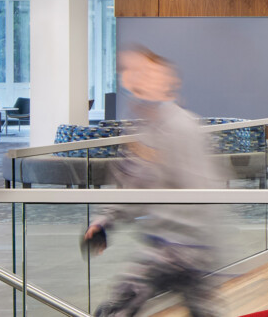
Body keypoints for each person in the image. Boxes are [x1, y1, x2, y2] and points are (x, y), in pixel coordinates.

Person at [87, 46, 228, 316]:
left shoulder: (181, 127)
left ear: (165, 81)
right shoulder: (144, 128)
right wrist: (105, 220)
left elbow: (200, 189)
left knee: (116, 309)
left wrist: (204, 245)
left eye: (143, 72)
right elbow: (136, 183)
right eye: (127, 72)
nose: (132, 78)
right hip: (169, 245)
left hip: (183, 248)